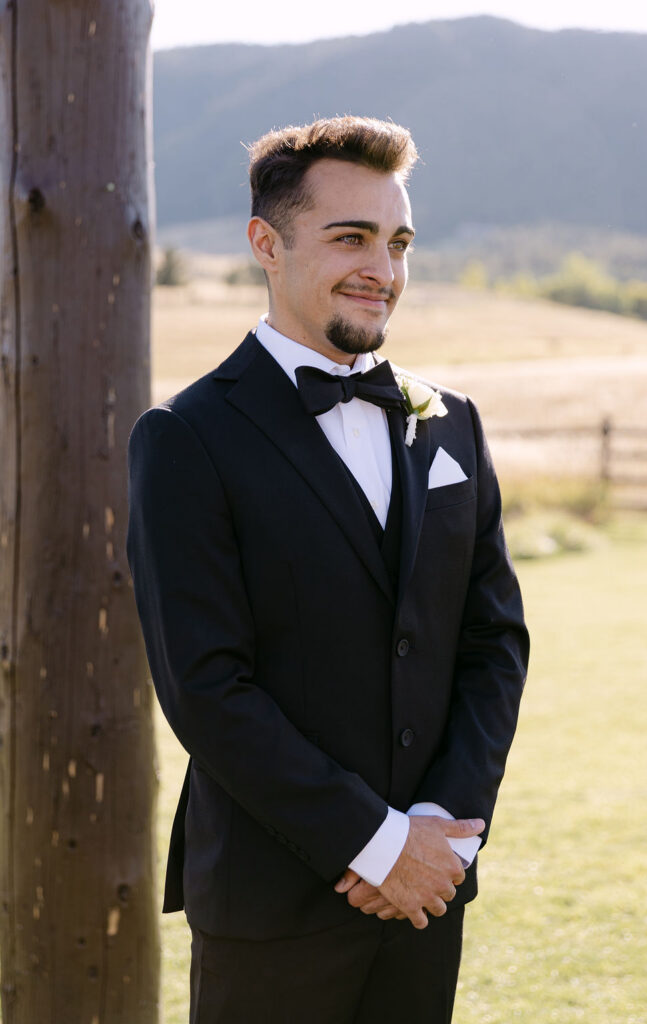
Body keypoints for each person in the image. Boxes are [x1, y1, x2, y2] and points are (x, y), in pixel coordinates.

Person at [127, 115, 529, 1024]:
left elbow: (492, 640)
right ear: (266, 244)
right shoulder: (187, 438)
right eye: (349, 237)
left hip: (428, 891)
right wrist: (372, 843)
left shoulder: (449, 422)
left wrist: (443, 836)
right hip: (275, 902)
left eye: (397, 243)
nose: (381, 271)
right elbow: (204, 687)